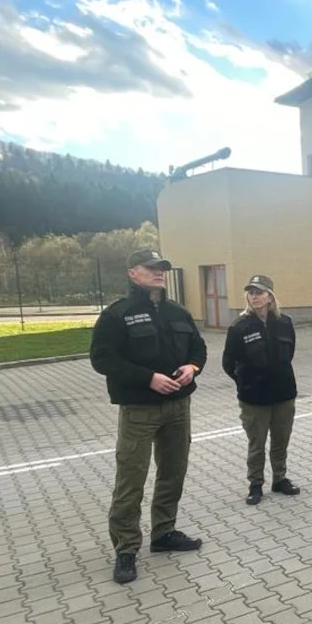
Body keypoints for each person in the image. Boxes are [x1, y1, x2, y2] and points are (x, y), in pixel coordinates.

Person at [90, 249, 207, 585]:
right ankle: (126, 548)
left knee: (173, 472)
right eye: (152, 268)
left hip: (178, 408)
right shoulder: (118, 314)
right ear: (132, 273)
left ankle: (164, 532)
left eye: (163, 269)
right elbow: (101, 359)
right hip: (140, 408)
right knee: (132, 479)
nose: (159, 273)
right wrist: (148, 378)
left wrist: (192, 367)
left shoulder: (178, 312)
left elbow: (199, 349)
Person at [222, 275, 301, 506]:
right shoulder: (240, 326)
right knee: (256, 444)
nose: (254, 297)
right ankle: (255, 484)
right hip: (254, 397)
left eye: (259, 292)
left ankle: (280, 479)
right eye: (251, 293)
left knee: (281, 440)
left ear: (270, 296)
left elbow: (290, 353)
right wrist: (245, 382)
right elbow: (229, 362)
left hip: (283, 393)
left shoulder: (284, 322)